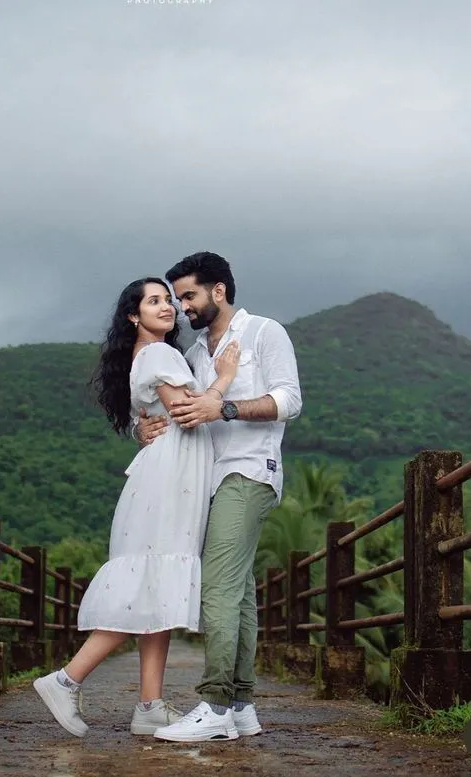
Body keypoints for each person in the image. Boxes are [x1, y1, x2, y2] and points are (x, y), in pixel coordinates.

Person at [33, 277, 240, 738]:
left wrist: (143, 430)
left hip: (164, 478)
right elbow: (187, 411)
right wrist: (225, 376)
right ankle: (66, 679)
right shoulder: (161, 355)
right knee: (147, 586)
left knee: (157, 590)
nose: (166, 306)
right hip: (168, 485)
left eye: (169, 300)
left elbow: (152, 420)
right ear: (133, 315)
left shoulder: (145, 356)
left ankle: (150, 705)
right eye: (154, 301)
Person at [136, 252, 302, 743]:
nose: (181, 306)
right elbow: (181, 410)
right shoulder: (193, 356)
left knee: (218, 589)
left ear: (219, 292)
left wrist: (223, 405)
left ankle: (215, 705)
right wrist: (143, 426)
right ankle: (243, 705)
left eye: (188, 295)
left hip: (249, 472)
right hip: (206, 481)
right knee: (240, 592)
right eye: (175, 297)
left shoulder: (263, 333)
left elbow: (290, 400)